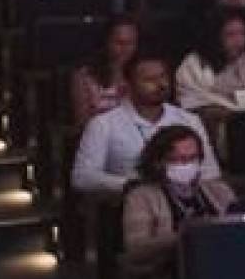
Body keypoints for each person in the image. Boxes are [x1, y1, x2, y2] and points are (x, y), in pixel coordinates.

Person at [120, 123, 238, 279]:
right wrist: (184, 236)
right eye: (179, 159)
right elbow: (135, 248)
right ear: (160, 162)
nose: (187, 165)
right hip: (172, 278)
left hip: (225, 271)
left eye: (193, 158)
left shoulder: (218, 191)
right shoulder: (142, 197)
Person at [72, 57, 210, 197]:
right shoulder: (103, 124)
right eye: (149, 79)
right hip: (127, 205)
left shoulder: (190, 120)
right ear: (128, 85)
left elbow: (211, 172)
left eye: (163, 77)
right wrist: (135, 186)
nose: (161, 84)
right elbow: (83, 177)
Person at [177, 12, 245, 127]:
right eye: (230, 35)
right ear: (215, 37)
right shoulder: (194, 63)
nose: (238, 40)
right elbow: (191, 100)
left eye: (243, 33)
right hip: (222, 124)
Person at [69, 18, 140, 131]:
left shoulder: (141, 72)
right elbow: (82, 121)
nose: (125, 49)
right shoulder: (84, 75)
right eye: (119, 42)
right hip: (98, 136)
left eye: (131, 43)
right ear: (106, 42)